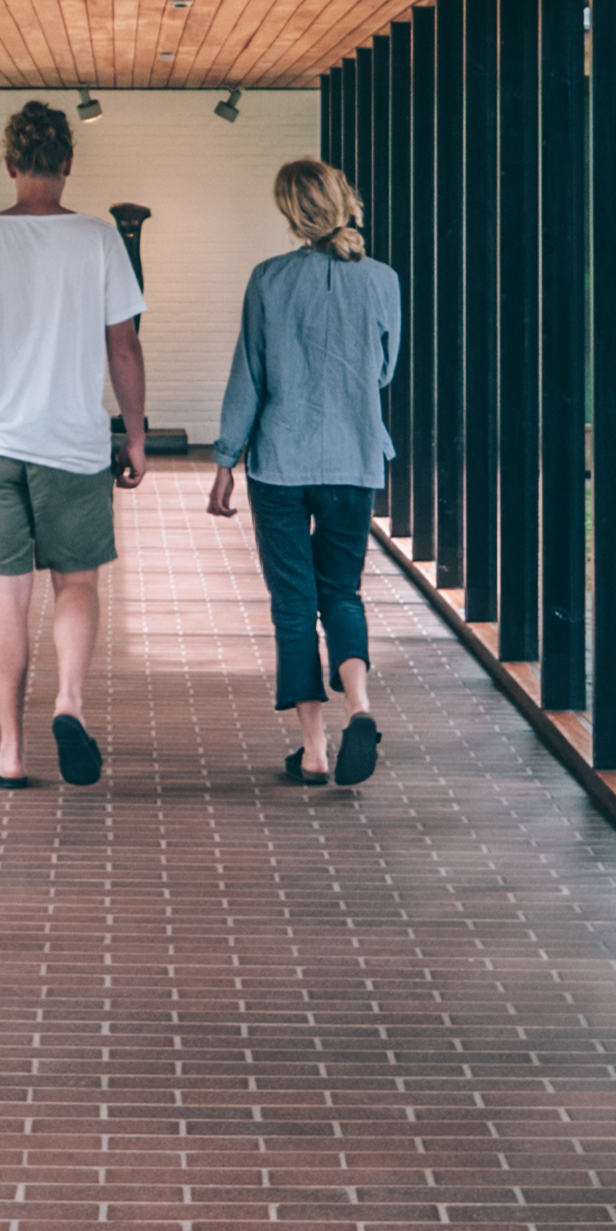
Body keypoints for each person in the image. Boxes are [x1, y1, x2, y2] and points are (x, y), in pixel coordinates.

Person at [0, 99, 148, 787]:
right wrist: (135, 435)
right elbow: (124, 346)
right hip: (74, 443)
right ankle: (69, 702)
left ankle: (12, 752)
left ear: (10, 163)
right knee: (76, 580)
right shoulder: (100, 240)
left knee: (7, 593)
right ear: (68, 164)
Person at [207, 158, 401, 786]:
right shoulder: (383, 281)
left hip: (281, 464)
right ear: (345, 202)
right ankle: (362, 708)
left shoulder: (267, 280)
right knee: (340, 592)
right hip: (354, 458)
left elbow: (250, 377)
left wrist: (224, 460)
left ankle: (315, 751)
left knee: (294, 603)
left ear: (291, 213)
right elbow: (383, 370)